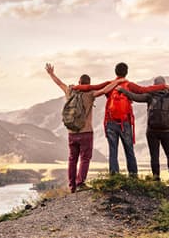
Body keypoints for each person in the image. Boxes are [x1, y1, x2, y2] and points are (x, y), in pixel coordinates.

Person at [72, 62, 169, 176]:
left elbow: (91, 87)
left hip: (110, 122)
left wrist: (76, 87)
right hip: (125, 122)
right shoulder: (129, 85)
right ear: (126, 72)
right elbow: (145, 89)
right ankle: (133, 175)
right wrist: (163, 86)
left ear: (115, 72)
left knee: (113, 151)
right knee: (129, 149)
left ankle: (114, 176)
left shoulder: (110, 84)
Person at [45, 63, 126, 193]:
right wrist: (118, 81)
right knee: (85, 158)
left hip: (72, 132)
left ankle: (72, 186)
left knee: (72, 159)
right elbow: (105, 90)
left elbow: (59, 83)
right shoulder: (90, 94)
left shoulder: (70, 91)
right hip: (86, 132)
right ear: (88, 84)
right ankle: (80, 183)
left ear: (79, 82)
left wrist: (51, 74)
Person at [117, 76, 169, 185]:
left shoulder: (149, 95)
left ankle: (156, 179)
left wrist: (122, 90)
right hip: (165, 131)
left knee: (154, 155)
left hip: (152, 131)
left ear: (154, 85)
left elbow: (135, 97)